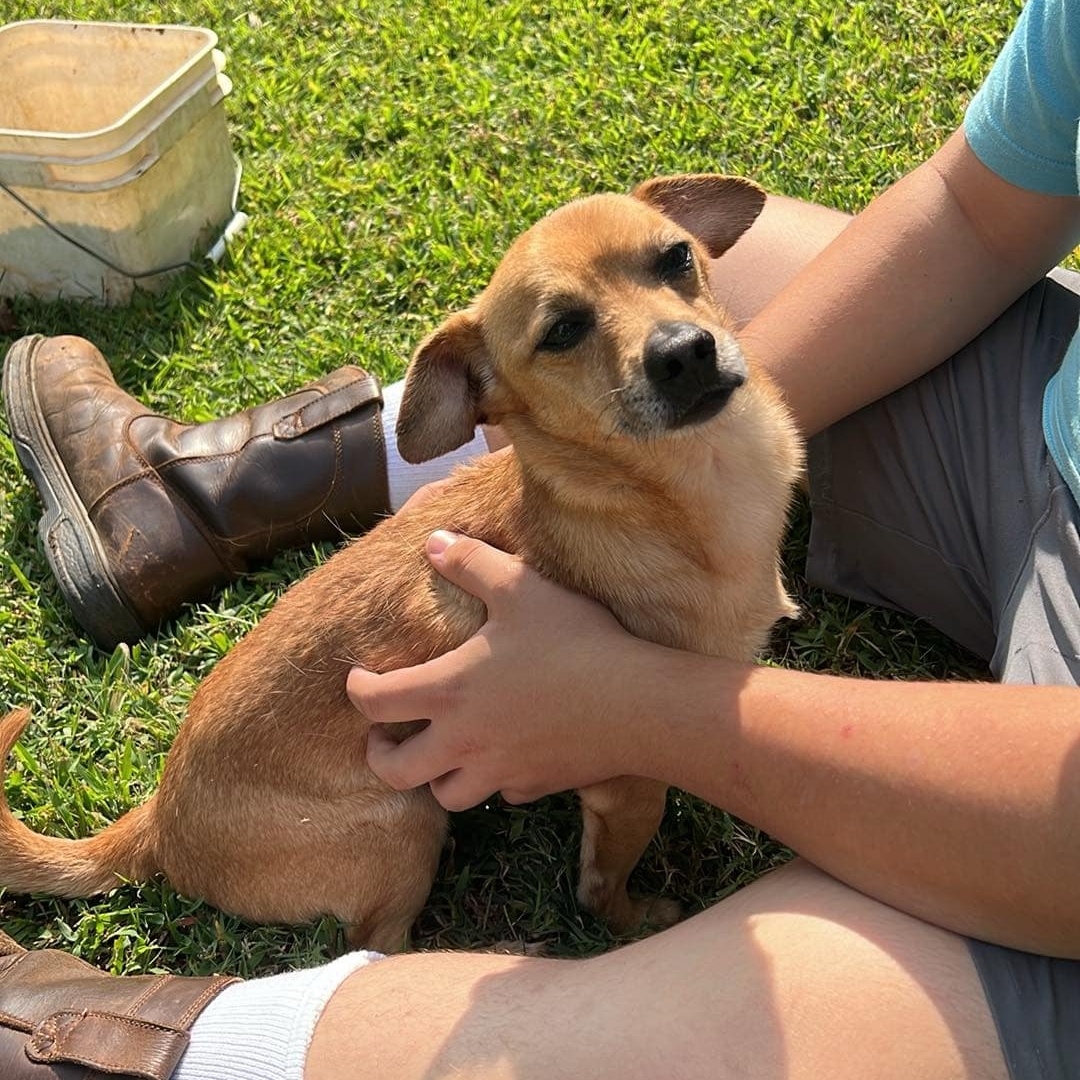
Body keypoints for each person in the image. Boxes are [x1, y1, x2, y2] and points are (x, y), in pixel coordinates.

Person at [1, 1, 1079, 1078]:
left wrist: (637, 701)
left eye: (671, 263)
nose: (670, 333)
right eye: (570, 329)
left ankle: (193, 493)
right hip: (276, 812)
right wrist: (617, 872)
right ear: (481, 398)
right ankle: (107, 1032)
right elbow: (969, 211)